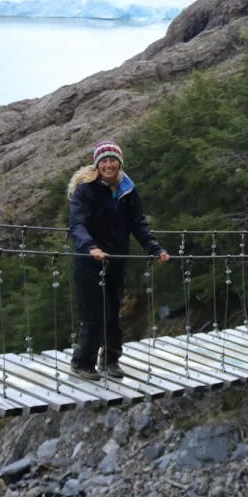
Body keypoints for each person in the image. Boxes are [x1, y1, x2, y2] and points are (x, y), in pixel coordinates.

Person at [67, 139, 169, 380]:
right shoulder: (86, 189)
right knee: (94, 314)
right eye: (104, 161)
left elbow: (138, 224)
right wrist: (90, 247)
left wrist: (155, 249)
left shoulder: (128, 190)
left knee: (113, 313)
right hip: (89, 261)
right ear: (97, 164)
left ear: (119, 163)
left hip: (116, 261)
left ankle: (110, 361)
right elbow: (77, 224)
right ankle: (82, 363)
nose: (109, 165)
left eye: (113, 160)